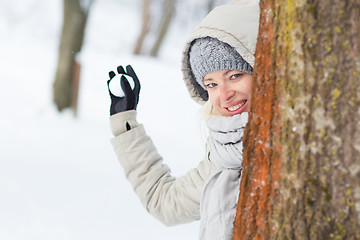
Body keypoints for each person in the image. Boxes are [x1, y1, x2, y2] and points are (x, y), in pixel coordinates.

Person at [107, 0, 259, 239]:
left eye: (235, 75)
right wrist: (125, 125)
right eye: (212, 84)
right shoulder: (222, 154)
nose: (225, 94)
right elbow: (165, 202)